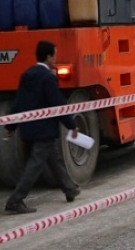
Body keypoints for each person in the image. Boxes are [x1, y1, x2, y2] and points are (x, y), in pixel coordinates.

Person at [5, 40, 81, 214]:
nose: (55, 58)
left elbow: (18, 102)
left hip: (28, 128)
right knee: (35, 165)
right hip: (45, 129)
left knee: (54, 158)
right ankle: (15, 200)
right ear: (48, 57)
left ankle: (69, 189)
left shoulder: (26, 75)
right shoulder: (48, 77)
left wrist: (11, 125)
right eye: (54, 54)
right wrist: (71, 125)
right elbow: (57, 104)